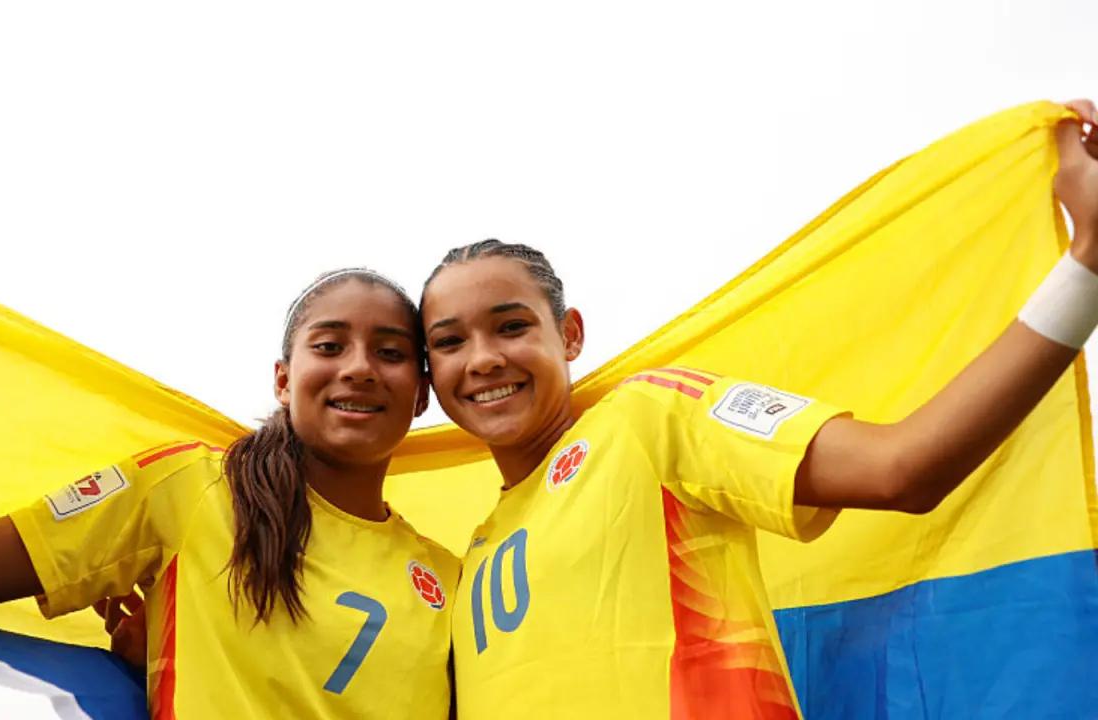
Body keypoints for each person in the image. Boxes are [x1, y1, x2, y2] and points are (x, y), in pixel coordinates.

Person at [415, 101, 1098, 719]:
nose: (483, 359)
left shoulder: (650, 416)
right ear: (429, 376)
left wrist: (1086, 267)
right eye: (449, 342)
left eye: (511, 327)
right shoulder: (470, 555)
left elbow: (903, 469)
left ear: (569, 336)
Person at [0, 267, 459, 719]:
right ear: (284, 381)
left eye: (390, 353)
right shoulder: (192, 488)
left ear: (421, 394)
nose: (358, 367)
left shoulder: (454, 581)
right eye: (329, 345)